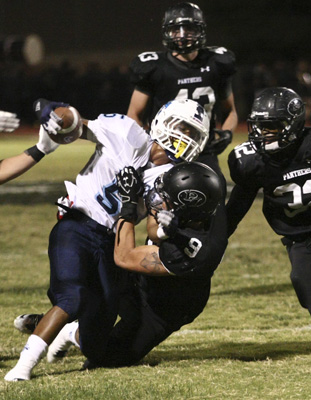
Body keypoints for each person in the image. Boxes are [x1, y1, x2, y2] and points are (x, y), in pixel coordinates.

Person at [5, 97, 210, 381]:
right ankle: (22, 369)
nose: (185, 138)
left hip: (111, 243)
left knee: (95, 341)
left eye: (193, 135)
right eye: (184, 128)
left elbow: (153, 228)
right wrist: (57, 115)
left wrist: (166, 228)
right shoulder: (127, 133)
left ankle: (66, 332)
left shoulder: (172, 176)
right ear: (164, 122)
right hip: (77, 224)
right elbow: (76, 124)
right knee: (72, 296)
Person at [25, 161, 228, 369]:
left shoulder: (191, 251)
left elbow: (125, 257)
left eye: (165, 197)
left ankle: (71, 331)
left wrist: (128, 205)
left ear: (186, 209)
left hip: (161, 309)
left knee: (102, 357)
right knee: (91, 266)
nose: (158, 198)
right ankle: (67, 319)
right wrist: (164, 231)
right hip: (142, 279)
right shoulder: (207, 206)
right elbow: (154, 228)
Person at [226, 87, 311, 325]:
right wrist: (215, 239)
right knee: (304, 282)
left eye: (271, 127)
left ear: (292, 123)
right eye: (259, 127)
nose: (263, 134)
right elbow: (236, 207)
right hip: (300, 237)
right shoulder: (251, 162)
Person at [127, 2, 238, 177]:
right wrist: (142, 147)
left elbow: (230, 111)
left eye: (188, 29)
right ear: (166, 32)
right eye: (176, 30)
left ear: (200, 30)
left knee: (214, 198)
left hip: (203, 150)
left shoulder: (217, 63)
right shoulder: (154, 67)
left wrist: (227, 133)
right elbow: (134, 114)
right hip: (164, 152)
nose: (182, 35)